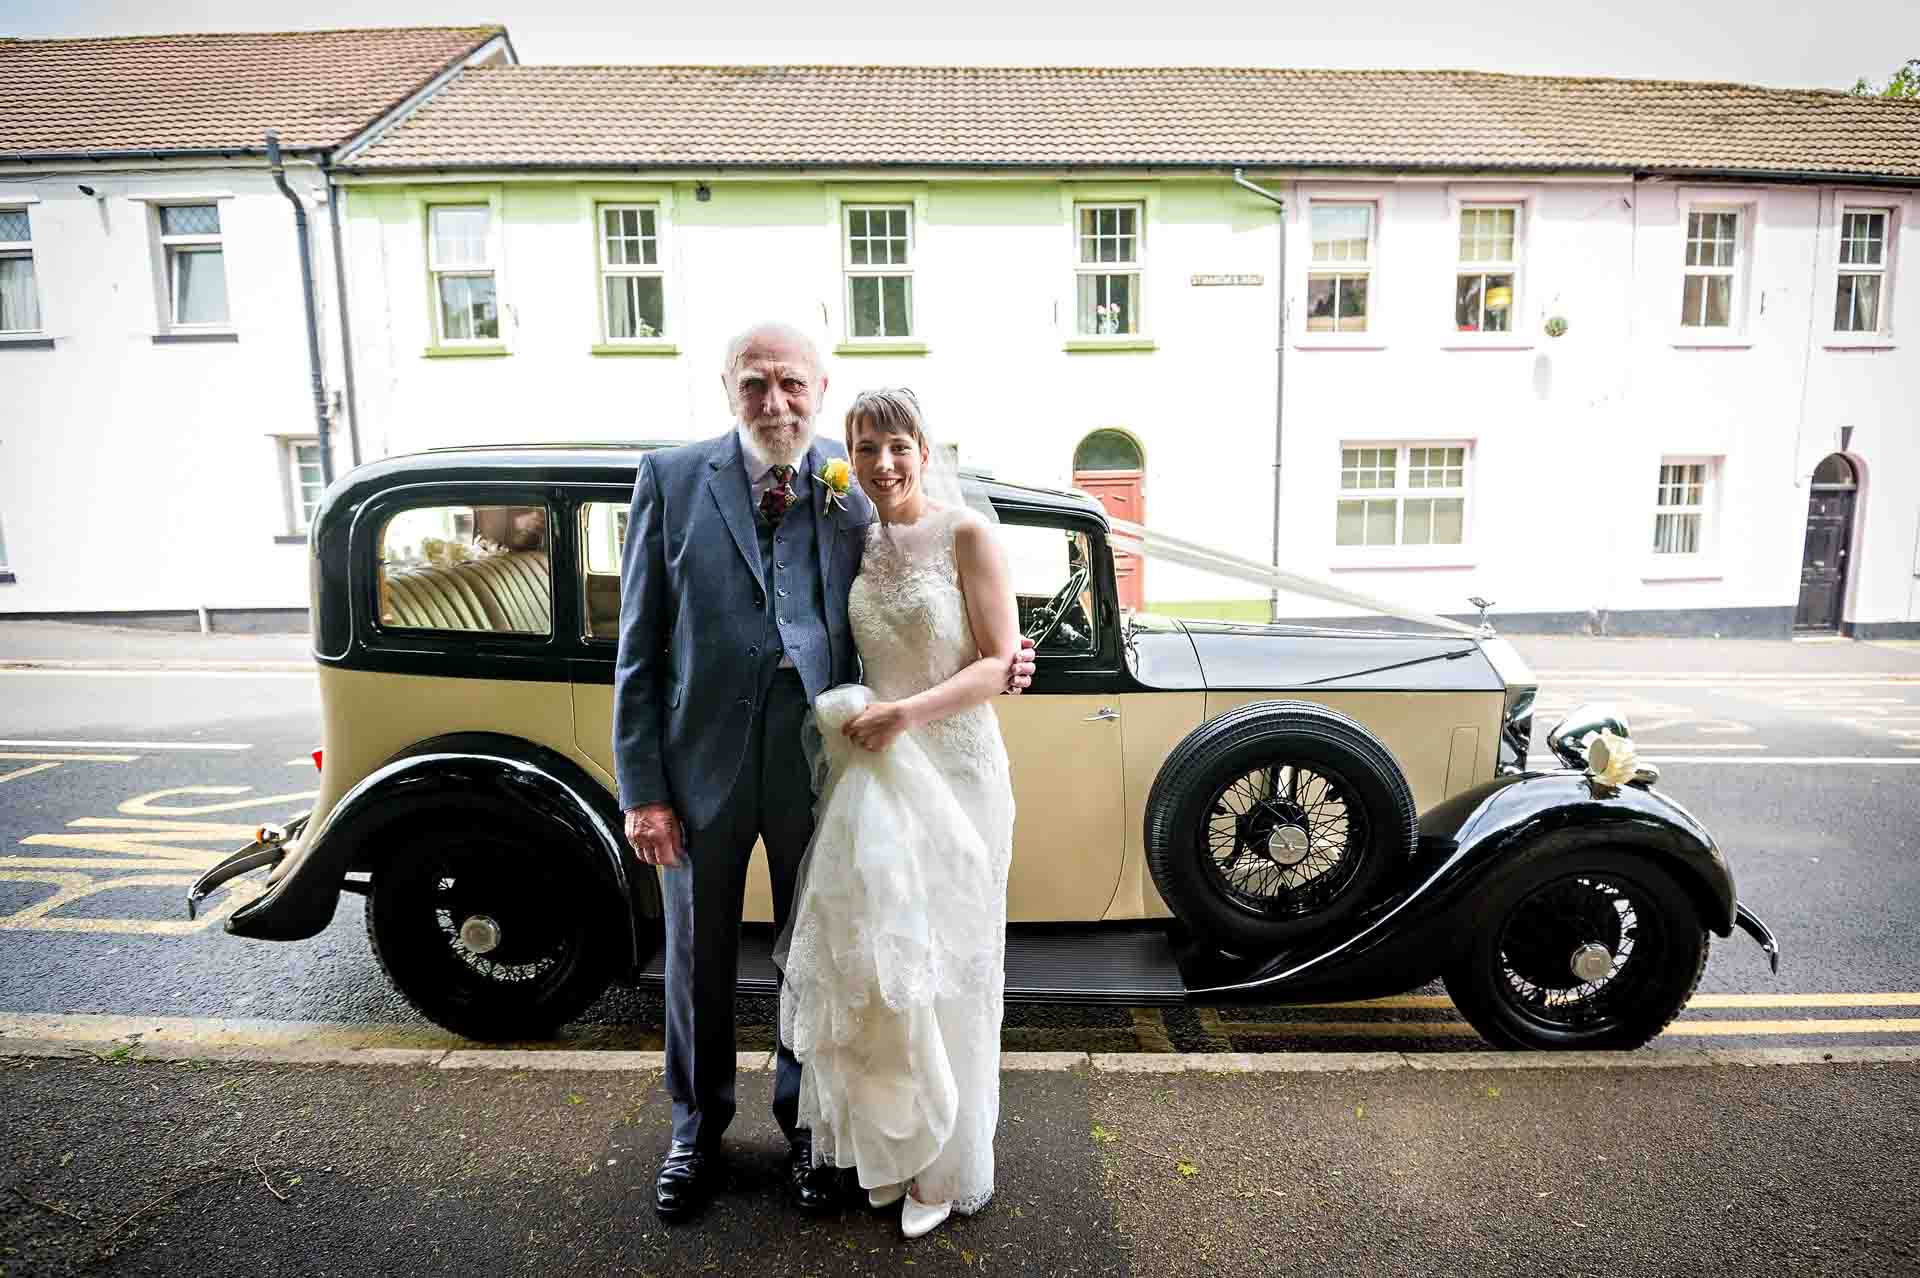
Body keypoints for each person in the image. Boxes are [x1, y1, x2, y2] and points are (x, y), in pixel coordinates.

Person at [612, 323, 1033, 1224]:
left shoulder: (852, 483)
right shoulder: (671, 477)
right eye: (756, 384)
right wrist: (643, 790)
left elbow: (945, 573)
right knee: (698, 959)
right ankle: (697, 1133)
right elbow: (639, 650)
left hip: (826, 764)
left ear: (820, 388)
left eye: (792, 385)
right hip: (700, 768)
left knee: (826, 953)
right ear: (727, 385)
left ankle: (813, 1131)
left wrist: (1009, 655)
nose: (776, 403)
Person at [775, 388, 1018, 1239]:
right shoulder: (859, 539)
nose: (884, 464)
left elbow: (999, 664)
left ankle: (947, 1168)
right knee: (883, 970)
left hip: (957, 773)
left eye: (898, 445)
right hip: (878, 780)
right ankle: (898, 1146)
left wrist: (904, 715)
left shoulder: (967, 535)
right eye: (867, 447)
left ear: (924, 448)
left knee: (951, 966)